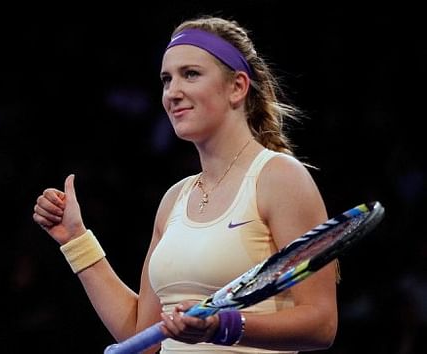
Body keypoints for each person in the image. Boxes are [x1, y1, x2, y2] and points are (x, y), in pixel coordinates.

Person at [32, 15, 338, 353]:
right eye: (166, 79)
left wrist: (221, 326)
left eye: (190, 74)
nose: (172, 92)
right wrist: (76, 239)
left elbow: (321, 324)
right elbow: (144, 339)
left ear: (237, 87)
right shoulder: (175, 199)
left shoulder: (281, 178)